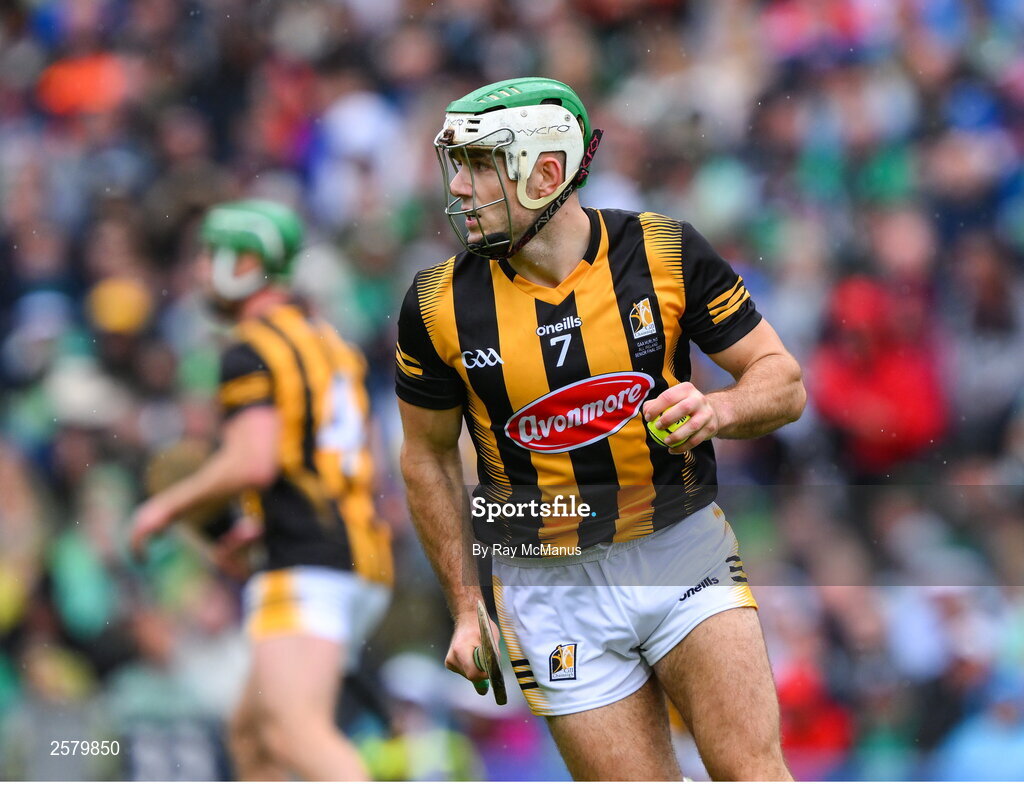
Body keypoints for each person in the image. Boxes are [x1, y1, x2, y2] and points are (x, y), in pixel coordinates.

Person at [396, 78, 804, 781]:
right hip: (548, 589)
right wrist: (467, 607)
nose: (458, 187)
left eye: (479, 165)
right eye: (455, 164)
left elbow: (783, 379)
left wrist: (720, 409)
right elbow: (426, 458)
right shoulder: (435, 305)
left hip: (680, 549)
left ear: (546, 171)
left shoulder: (664, 251)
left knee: (752, 772)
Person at [130, 199, 392, 781]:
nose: (199, 270)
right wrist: (261, 523)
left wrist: (165, 508)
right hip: (352, 556)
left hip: (307, 565)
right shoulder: (329, 342)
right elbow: (353, 459)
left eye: (209, 254)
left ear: (246, 262)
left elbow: (253, 461)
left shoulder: (251, 348)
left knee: (293, 734)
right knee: (252, 736)